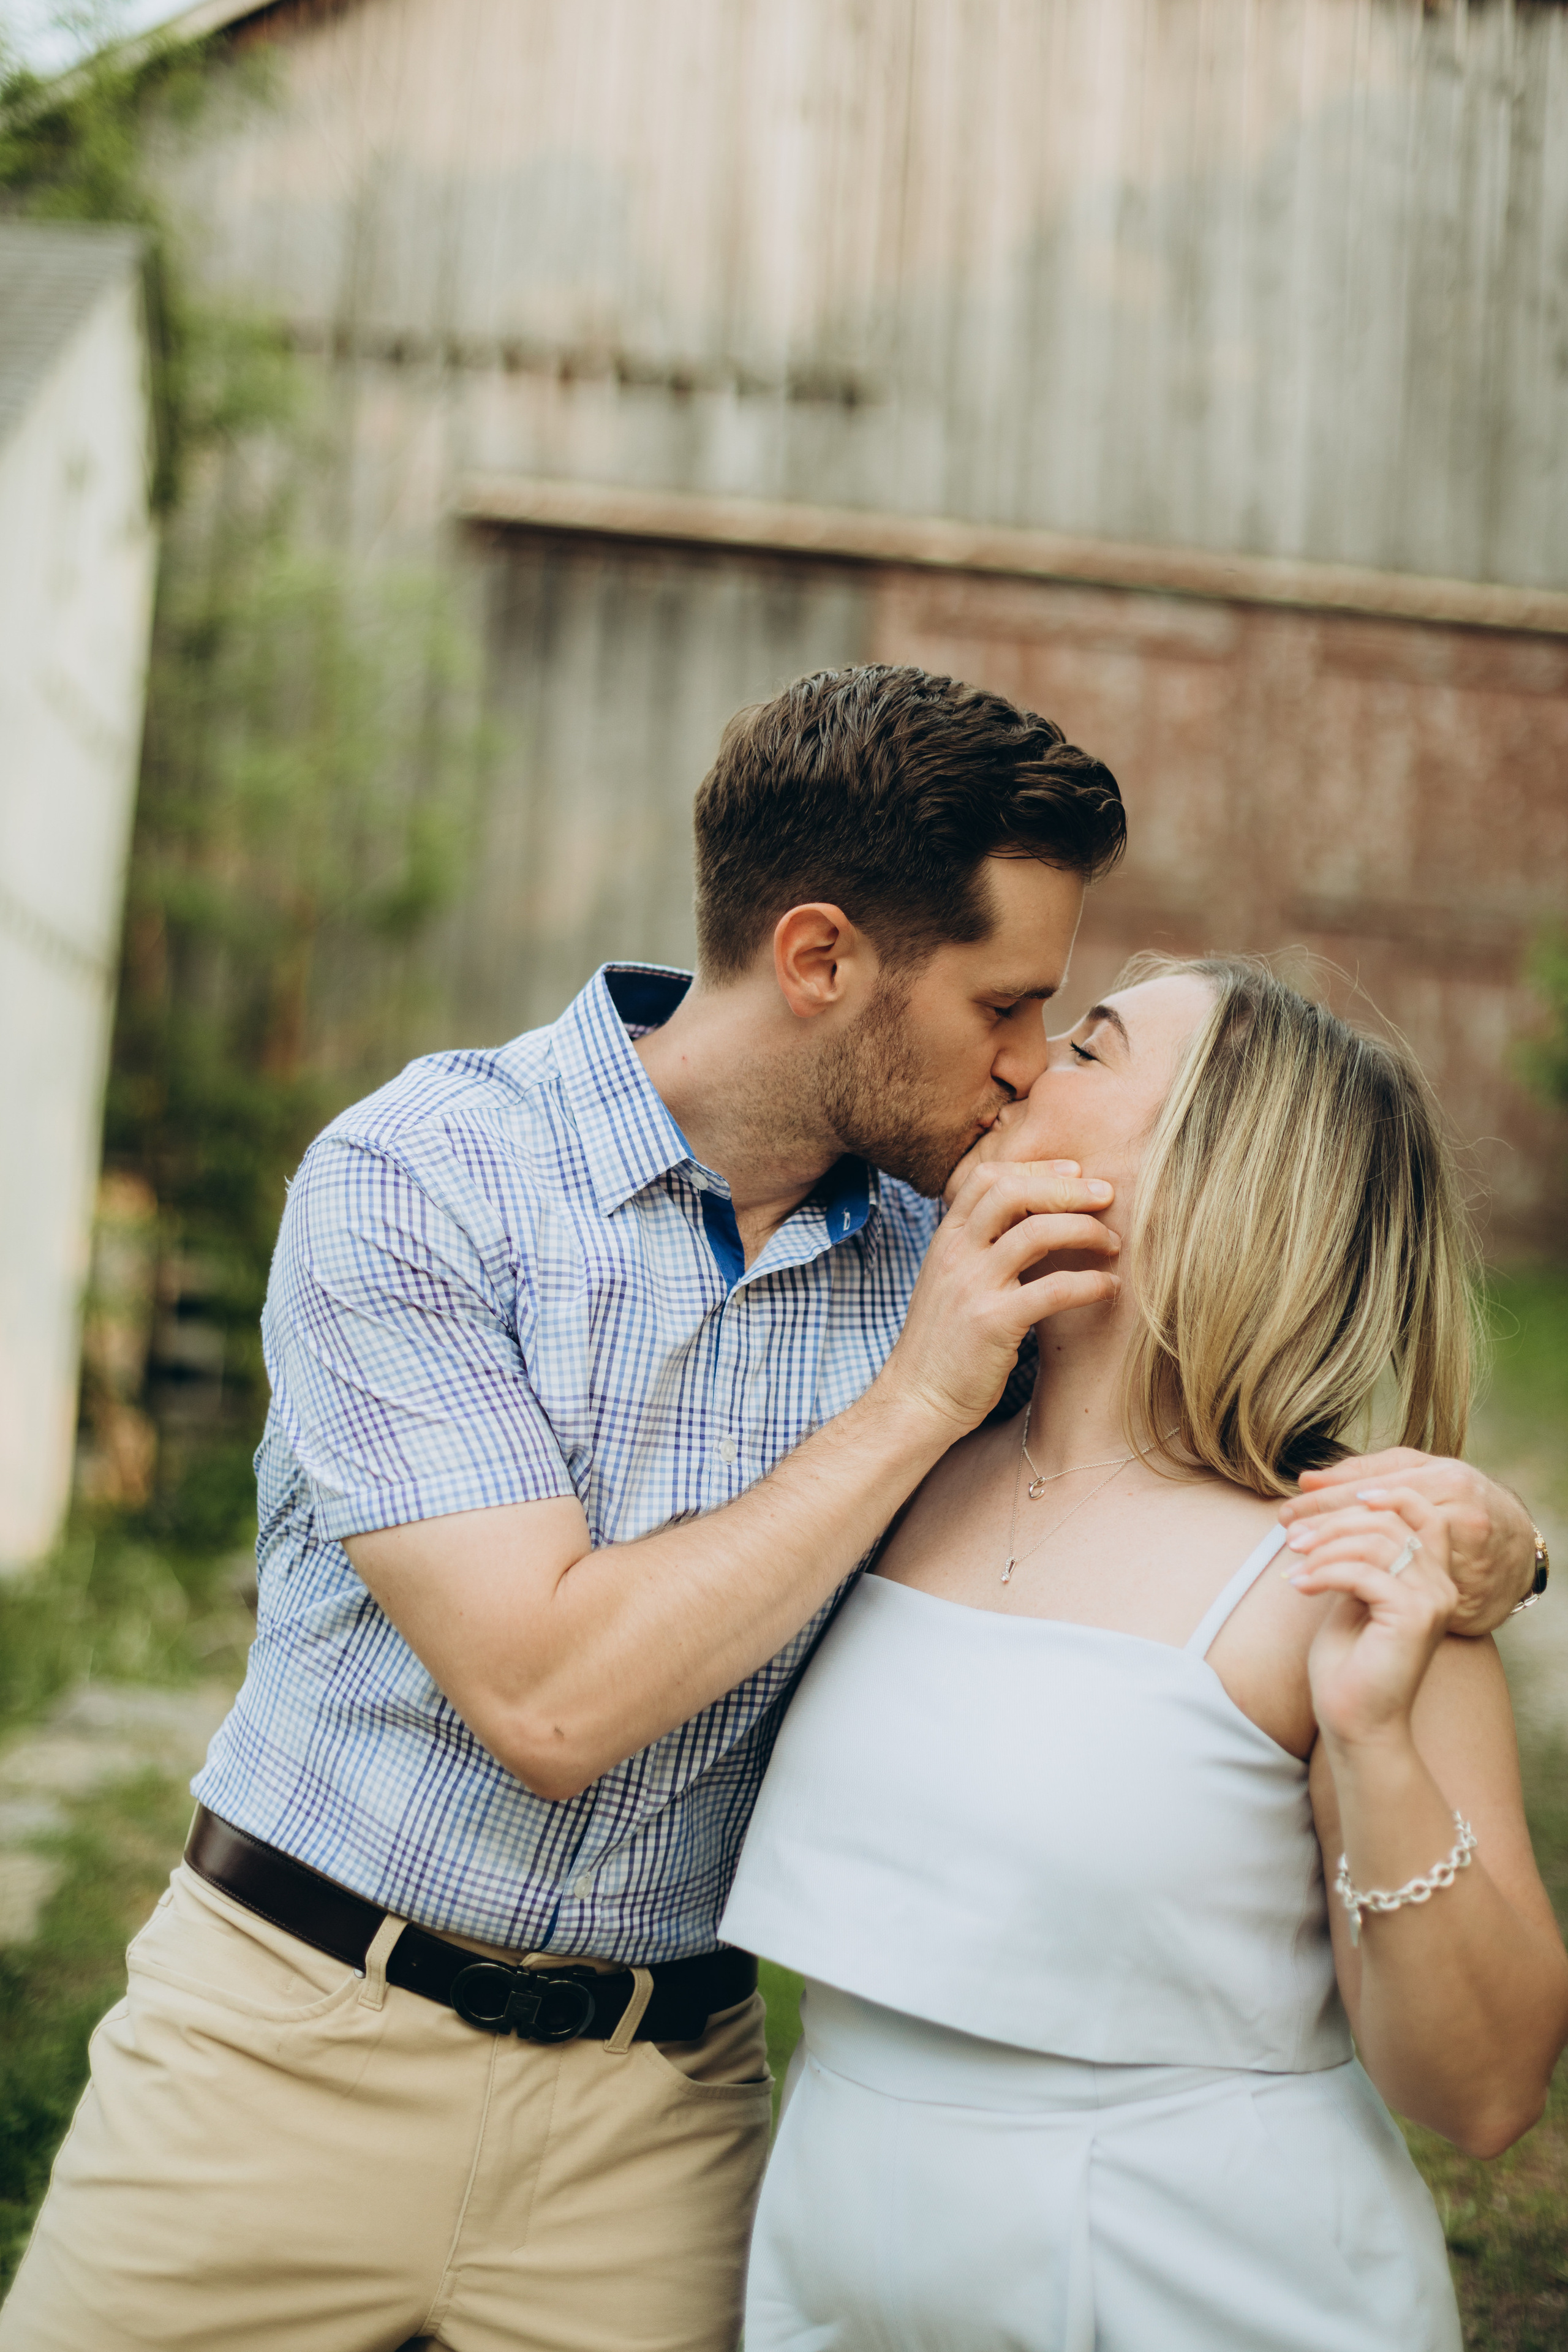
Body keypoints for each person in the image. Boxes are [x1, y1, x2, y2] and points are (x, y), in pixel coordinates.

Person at [0, 674, 1537, 2352]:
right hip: (283, 2040)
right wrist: (915, 1401)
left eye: (1068, 1027)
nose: (1026, 1073)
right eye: (1015, 1009)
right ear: (819, 962)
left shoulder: (952, 1256)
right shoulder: (423, 1180)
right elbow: (546, 1697)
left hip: (664, 2112)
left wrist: (1502, 1555)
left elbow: (1187, 1439)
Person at [722, 957, 1568, 2352]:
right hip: (835, 2261)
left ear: (1210, 1173)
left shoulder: (1338, 1575)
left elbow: (1480, 2094)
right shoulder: (890, 1460)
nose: (1021, 1059)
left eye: (1089, 1050)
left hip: (1190, 2282)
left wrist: (1370, 1740)